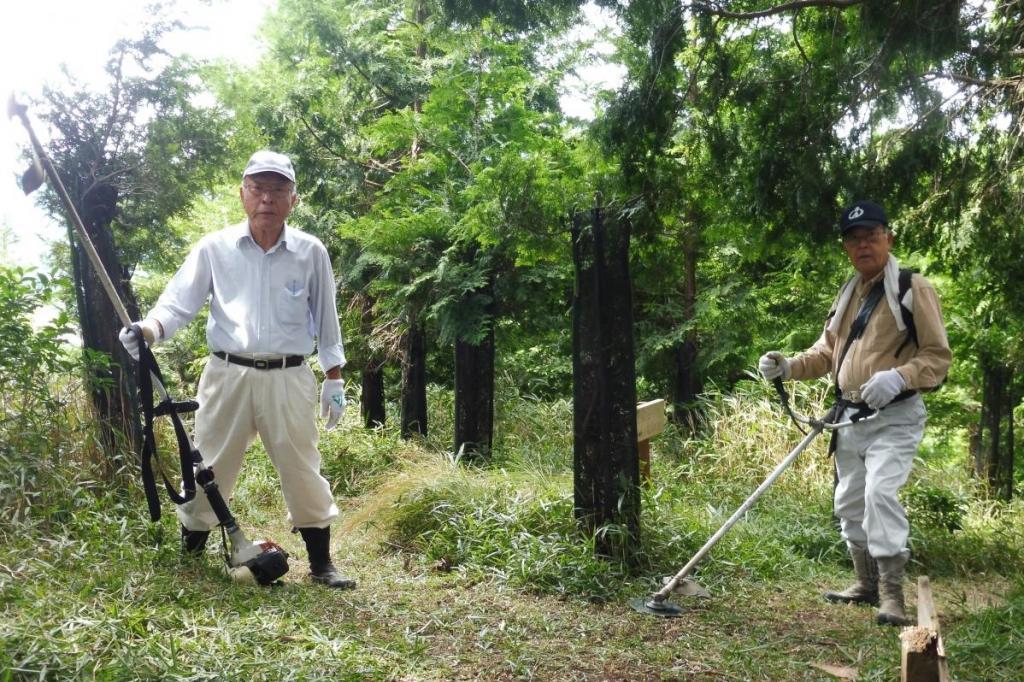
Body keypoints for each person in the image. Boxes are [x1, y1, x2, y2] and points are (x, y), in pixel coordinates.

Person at [119, 150, 355, 589]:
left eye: (278, 189)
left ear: (293, 199)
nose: (267, 198)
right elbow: (177, 303)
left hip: (288, 376)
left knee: (302, 464)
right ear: (243, 194)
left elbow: (327, 318)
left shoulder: (310, 252)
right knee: (209, 461)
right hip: (227, 373)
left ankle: (322, 564)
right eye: (258, 188)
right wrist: (148, 329)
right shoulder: (214, 248)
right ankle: (190, 554)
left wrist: (334, 377)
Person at [758, 200, 951, 625]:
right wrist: (788, 367)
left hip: (895, 417)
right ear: (846, 247)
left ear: (888, 238)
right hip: (848, 417)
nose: (863, 244)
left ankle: (892, 597)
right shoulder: (848, 292)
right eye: (854, 238)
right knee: (849, 501)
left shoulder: (912, 288)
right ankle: (864, 584)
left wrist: (900, 377)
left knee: (880, 494)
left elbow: (938, 356)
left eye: (871, 235)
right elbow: (827, 352)